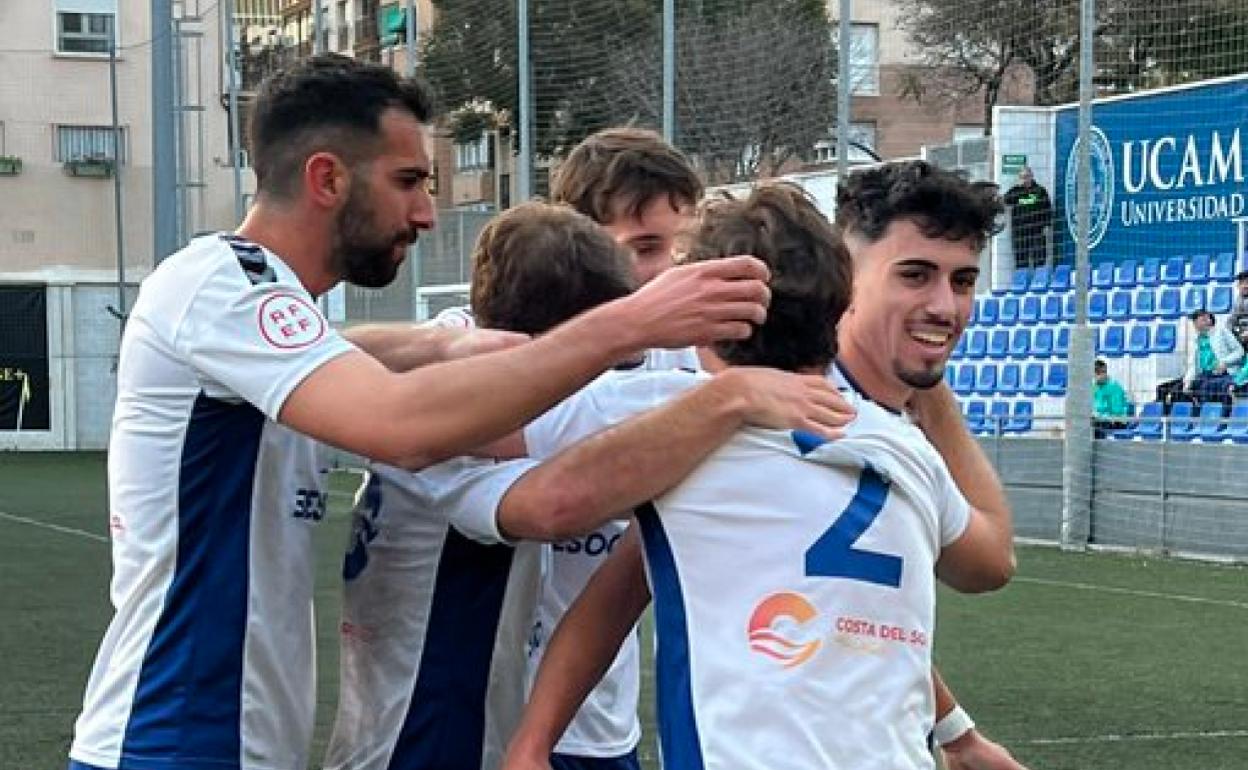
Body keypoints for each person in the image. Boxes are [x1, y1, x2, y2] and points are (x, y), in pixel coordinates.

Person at [65, 55, 783, 770]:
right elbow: (402, 427)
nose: (427, 213)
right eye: (407, 181)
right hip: (171, 741)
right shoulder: (222, 282)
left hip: (228, 745)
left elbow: (343, 353)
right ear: (326, 179)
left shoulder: (273, 316)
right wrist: (630, 328)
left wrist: (440, 346)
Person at [503, 176, 1017, 770]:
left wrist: (531, 742)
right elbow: (981, 565)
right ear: (843, 297)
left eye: (962, 281)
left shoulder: (678, 432)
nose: (943, 305)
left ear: (708, 322)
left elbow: (593, 581)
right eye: (915, 274)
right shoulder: (906, 449)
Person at [321, 201, 845, 770]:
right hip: (429, 730)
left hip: (456, 723)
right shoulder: (457, 438)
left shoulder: (449, 373)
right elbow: (551, 503)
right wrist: (731, 394)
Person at [1183, 310, 1242, 407]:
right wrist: (1187, 380)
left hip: (1223, 374)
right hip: (1204, 375)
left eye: (1200, 320)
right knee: (1187, 388)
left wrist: (1225, 362)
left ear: (1209, 320)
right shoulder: (1196, 340)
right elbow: (1192, 365)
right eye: (1195, 321)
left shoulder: (1221, 332)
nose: (1196, 324)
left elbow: (1239, 352)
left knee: (1221, 387)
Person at [1002, 166, 1052, 269]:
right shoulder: (1016, 191)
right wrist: (1017, 188)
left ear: (1031, 176)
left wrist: (1047, 225)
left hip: (1037, 231)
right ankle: (1021, 282)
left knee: (1039, 259)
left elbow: (1048, 209)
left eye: (1027, 176)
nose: (1025, 179)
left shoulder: (1040, 191)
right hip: (1020, 232)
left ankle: (1038, 282)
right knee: (1021, 260)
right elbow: (1005, 201)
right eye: (1023, 177)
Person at [1092, 359, 1131, 438]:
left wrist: (1100, 416)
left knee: (1095, 426)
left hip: (1117, 420)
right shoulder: (1094, 386)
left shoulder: (1114, 387)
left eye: (1096, 375)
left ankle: (1098, 449)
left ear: (1103, 373)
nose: (1094, 378)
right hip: (1100, 419)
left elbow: (1117, 411)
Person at [1227, 269, 1248, 348]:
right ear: (1238, 285)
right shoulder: (1238, 300)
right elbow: (1232, 320)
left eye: (1247, 283)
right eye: (1242, 283)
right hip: (1241, 334)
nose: (1245, 286)